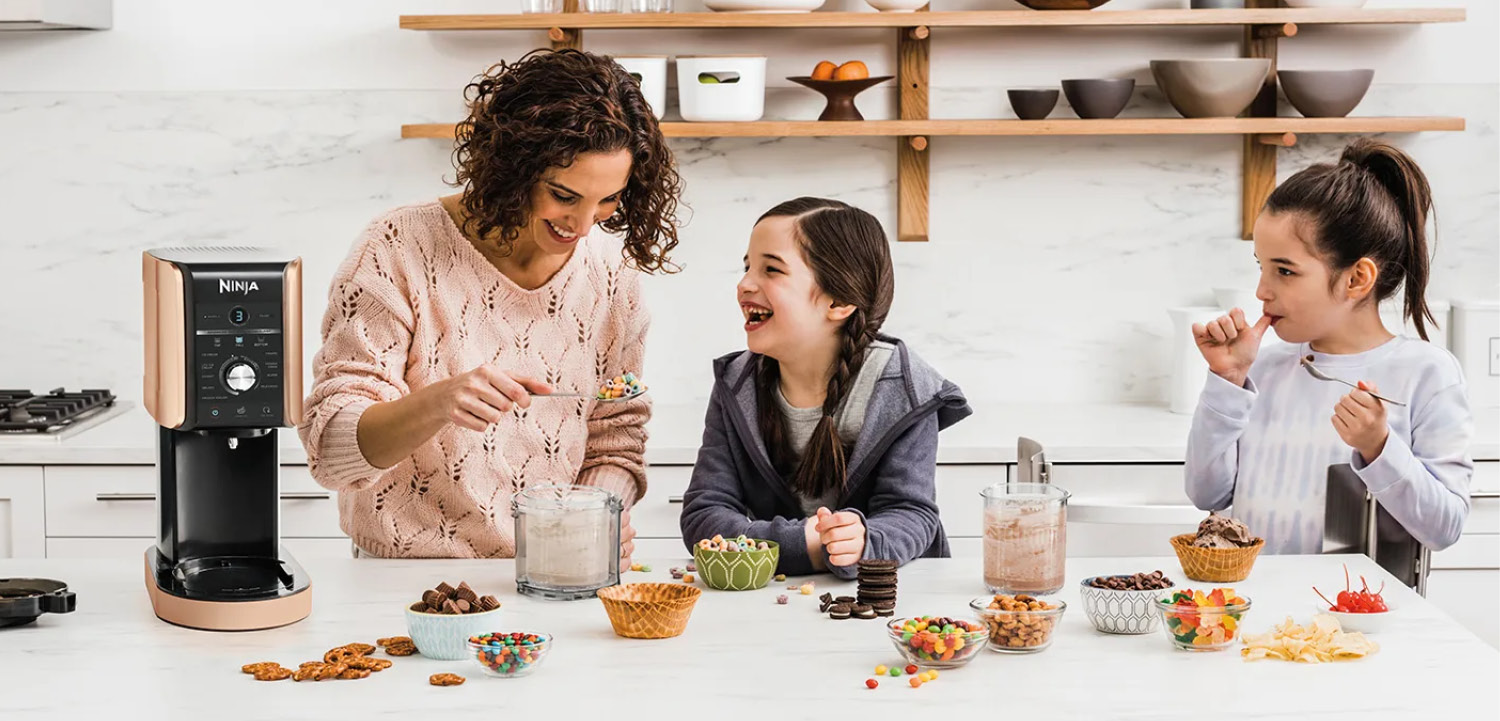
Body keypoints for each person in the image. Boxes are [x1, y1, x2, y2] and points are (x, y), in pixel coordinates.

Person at [298, 49, 684, 559]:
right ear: (514, 167)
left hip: (553, 574)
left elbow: (615, 437)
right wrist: (438, 403)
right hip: (404, 581)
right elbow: (332, 453)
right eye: (564, 195)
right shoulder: (397, 247)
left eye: (608, 199)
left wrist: (595, 517)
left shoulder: (611, 276)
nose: (585, 224)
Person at [1185, 139, 1473, 554]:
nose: (1262, 291)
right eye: (1261, 267)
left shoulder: (1426, 374)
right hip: (1262, 613)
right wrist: (1226, 381)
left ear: (1356, 279)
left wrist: (1379, 446)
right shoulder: (1262, 370)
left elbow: (1444, 528)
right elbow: (1206, 495)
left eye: (1285, 271)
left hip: (1364, 617)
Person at [679, 197, 971, 579]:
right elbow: (705, 513)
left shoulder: (905, 388)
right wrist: (806, 546)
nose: (745, 283)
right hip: (775, 604)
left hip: (889, 600)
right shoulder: (736, 384)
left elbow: (913, 516)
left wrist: (865, 541)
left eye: (771, 269)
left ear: (839, 301)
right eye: (747, 266)